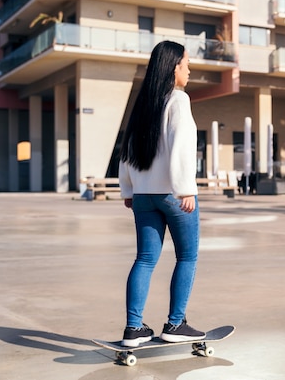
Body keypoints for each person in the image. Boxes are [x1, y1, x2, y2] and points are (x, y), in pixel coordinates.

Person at [118, 41, 205, 347]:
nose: (189, 69)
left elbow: (127, 149)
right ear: (173, 68)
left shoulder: (143, 105)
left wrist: (128, 189)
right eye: (186, 64)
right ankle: (176, 324)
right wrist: (186, 189)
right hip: (172, 194)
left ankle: (133, 329)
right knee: (187, 257)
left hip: (143, 196)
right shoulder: (178, 101)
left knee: (144, 260)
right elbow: (181, 145)